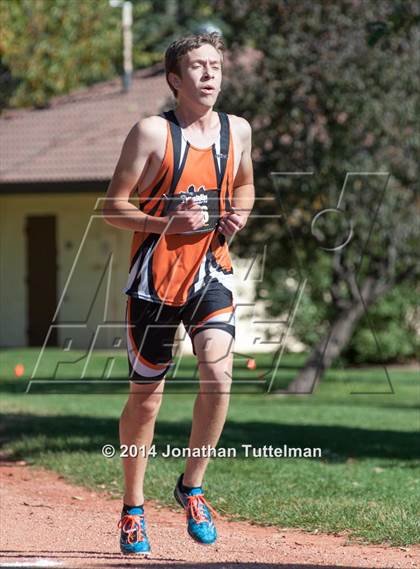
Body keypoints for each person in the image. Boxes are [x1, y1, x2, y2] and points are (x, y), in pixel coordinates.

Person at [102, 31, 254, 556]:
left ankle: (192, 487)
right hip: (154, 281)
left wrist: (240, 215)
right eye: (198, 66)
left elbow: (246, 184)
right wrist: (163, 219)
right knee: (146, 402)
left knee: (218, 374)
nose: (210, 74)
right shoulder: (150, 133)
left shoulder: (239, 131)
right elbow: (111, 207)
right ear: (175, 79)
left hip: (211, 270)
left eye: (216, 65)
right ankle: (133, 508)